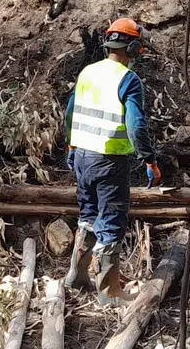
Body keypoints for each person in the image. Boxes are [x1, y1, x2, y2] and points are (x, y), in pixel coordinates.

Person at [62, 18, 161, 305]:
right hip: (108, 162)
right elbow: (136, 125)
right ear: (132, 46)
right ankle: (109, 291)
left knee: (88, 216)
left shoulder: (87, 73)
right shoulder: (128, 79)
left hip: (81, 157)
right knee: (112, 222)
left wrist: (71, 145)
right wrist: (149, 160)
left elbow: (70, 113)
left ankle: (77, 276)